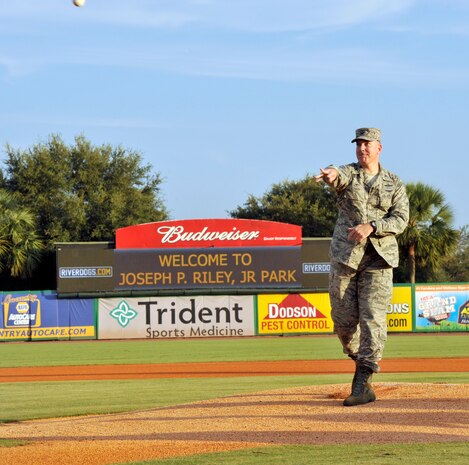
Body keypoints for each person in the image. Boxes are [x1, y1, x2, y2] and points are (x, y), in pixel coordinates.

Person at [314, 127, 409, 406]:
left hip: (379, 260)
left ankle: (363, 381)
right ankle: (358, 357)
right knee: (343, 323)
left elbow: (400, 220)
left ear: (379, 148)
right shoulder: (349, 174)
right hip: (346, 258)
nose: (362, 149)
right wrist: (331, 174)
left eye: (367, 145)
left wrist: (374, 226)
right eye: (358, 145)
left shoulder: (394, 183)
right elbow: (338, 174)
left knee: (373, 318)